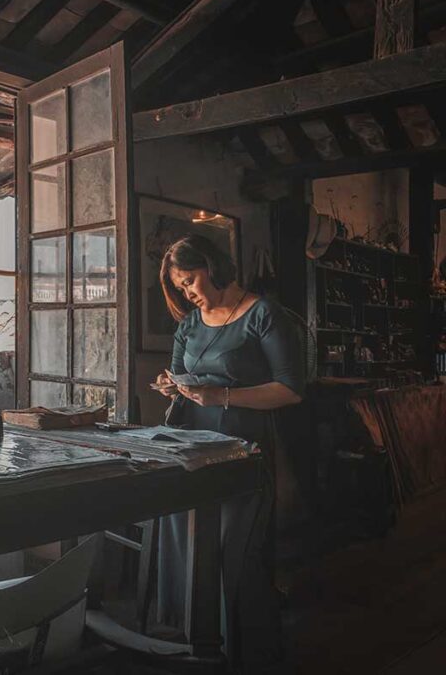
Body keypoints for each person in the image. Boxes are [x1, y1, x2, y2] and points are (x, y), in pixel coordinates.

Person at [151, 234, 304, 674]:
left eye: (191, 279)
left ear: (214, 265)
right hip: (189, 447)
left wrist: (222, 396)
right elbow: (182, 372)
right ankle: (192, 646)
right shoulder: (190, 325)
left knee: (234, 552)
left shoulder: (263, 315)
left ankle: (247, 654)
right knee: (187, 546)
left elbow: (290, 389)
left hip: (243, 450)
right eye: (180, 287)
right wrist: (171, 384)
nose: (188, 292)